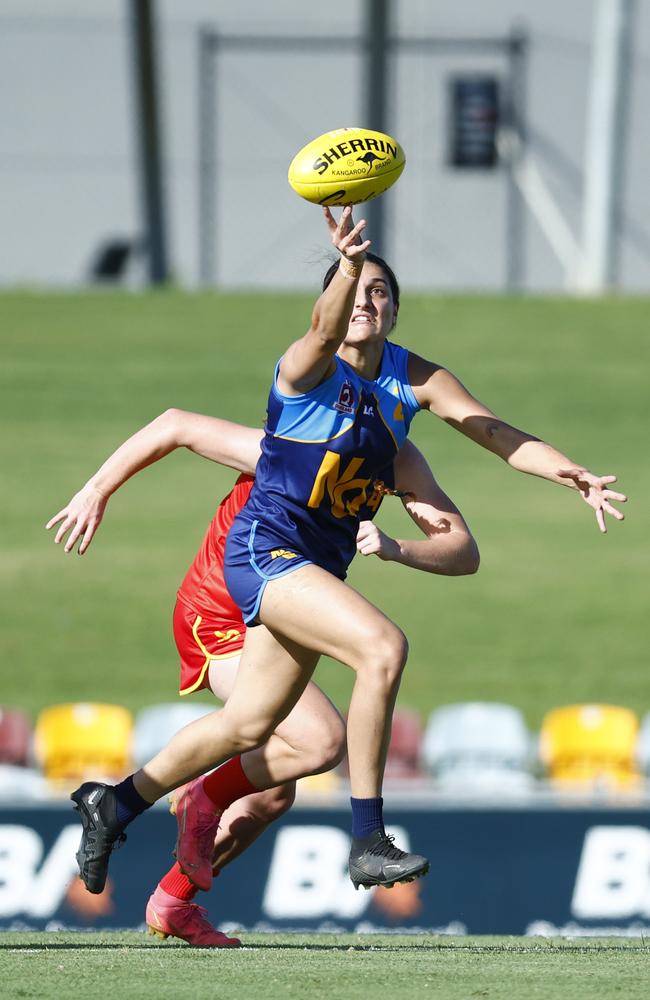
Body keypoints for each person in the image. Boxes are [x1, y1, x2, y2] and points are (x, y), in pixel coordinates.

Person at [64, 206, 626, 917]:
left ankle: (114, 803)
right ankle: (368, 836)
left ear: (396, 311)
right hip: (263, 553)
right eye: (354, 289)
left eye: (382, 291)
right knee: (383, 648)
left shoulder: (407, 389)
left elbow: (492, 432)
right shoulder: (303, 373)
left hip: (311, 569)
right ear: (331, 300)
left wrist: (568, 471)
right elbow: (310, 337)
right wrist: (350, 261)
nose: (367, 300)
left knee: (250, 730)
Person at [49, 407, 479, 946]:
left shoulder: (395, 460)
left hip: (284, 607)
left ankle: (172, 897)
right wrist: (96, 490)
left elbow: (462, 551)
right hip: (222, 611)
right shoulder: (298, 446)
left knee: (274, 793)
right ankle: (165, 799)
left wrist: (398, 547)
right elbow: (175, 424)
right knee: (317, 738)